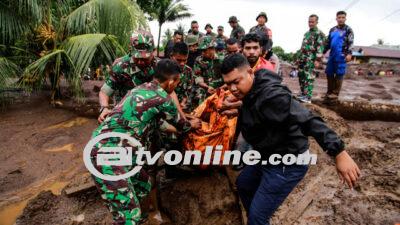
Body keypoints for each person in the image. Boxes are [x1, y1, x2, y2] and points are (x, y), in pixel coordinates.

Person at [220, 53, 360, 225]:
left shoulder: (273, 96)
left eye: (236, 81)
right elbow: (256, 105)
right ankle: (257, 219)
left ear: (250, 72)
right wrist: (240, 110)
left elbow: (308, 119)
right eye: (228, 84)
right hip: (266, 154)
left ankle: (257, 220)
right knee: (244, 185)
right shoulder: (250, 91)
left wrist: (339, 153)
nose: (232, 89)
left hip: (287, 162)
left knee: (257, 217)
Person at [91, 59, 201, 225]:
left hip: (122, 150)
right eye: (177, 82)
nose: (176, 86)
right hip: (107, 154)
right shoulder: (163, 99)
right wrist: (192, 124)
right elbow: (183, 125)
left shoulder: (141, 89)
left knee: (143, 186)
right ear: (171, 81)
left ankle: (141, 220)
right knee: (128, 218)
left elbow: (158, 123)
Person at [98, 31, 157, 123]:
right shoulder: (120, 66)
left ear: (154, 51)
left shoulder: (161, 67)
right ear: (130, 50)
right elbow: (104, 92)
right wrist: (104, 108)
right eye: (137, 58)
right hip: (124, 114)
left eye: (145, 59)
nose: (141, 62)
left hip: (151, 115)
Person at [324, 11, 354, 104]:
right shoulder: (332, 29)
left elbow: (351, 42)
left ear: (345, 18)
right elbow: (328, 43)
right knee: (329, 73)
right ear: (336, 18)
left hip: (342, 55)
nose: (341, 19)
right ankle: (329, 92)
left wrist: (349, 53)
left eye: (343, 17)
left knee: (339, 74)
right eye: (339, 17)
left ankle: (335, 93)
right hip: (332, 55)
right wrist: (322, 52)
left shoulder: (348, 29)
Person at [296, 14, 326, 103]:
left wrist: (317, 60)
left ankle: (308, 97)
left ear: (317, 22)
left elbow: (320, 48)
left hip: (311, 59)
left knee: (309, 78)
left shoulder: (319, 33)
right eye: (309, 21)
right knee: (301, 76)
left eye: (312, 22)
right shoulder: (307, 34)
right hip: (303, 59)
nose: (310, 23)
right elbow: (303, 47)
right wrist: (298, 58)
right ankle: (303, 93)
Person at [193, 36, 224, 106]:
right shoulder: (199, 60)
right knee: (199, 95)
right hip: (205, 87)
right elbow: (198, 78)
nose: (202, 53)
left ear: (212, 49)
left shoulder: (222, 59)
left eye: (204, 50)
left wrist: (219, 89)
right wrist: (207, 87)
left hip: (221, 87)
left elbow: (228, 78)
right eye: (201, 51)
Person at [170, 42, 195, 112]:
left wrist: (184, 102)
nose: (182, 63)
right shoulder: (165, 70)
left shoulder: (188, 71)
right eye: (179, 60)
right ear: (172, 56)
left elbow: (189, 90)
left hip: (183, 106)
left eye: (185, 60)